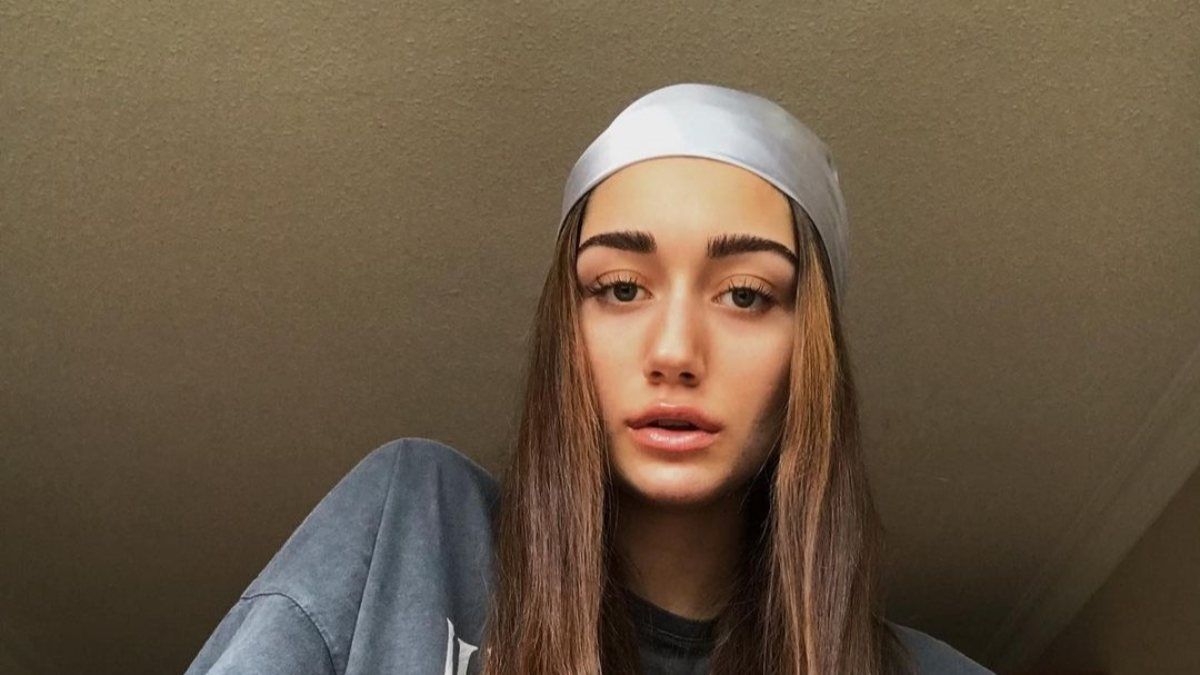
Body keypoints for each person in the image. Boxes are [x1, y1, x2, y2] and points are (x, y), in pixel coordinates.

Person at [185, 83, 993, 674]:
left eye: (746, 294)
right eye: (621, 288)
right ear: (565, 329)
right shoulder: (416, 525)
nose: (674, 350)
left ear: (809, 358)